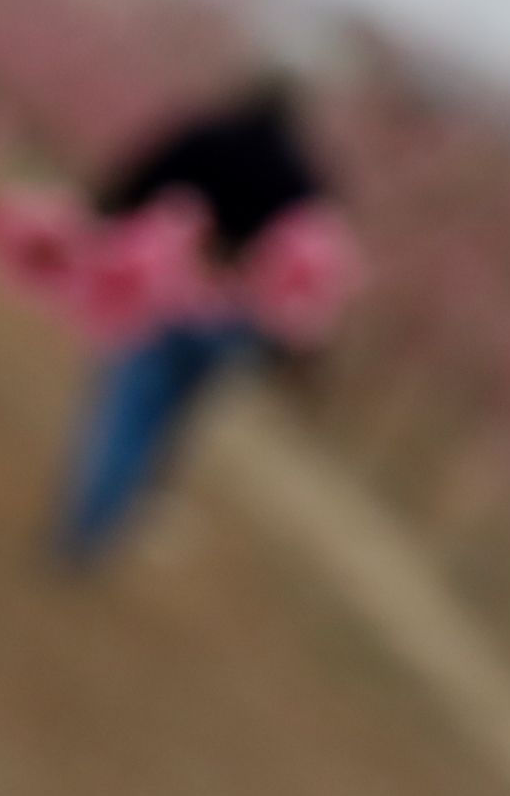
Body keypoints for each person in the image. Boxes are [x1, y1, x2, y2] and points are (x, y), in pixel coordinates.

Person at [53, 76, 324, 566]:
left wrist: (98, 225)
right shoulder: (304, 175)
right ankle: (109, 525)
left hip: (167, 296)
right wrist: (283, 338)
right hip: (232, 323)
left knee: (127, 413)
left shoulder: (206, 133)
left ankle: (84, 527)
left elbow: (139, 180)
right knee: (169, 429)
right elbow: (308, 261)